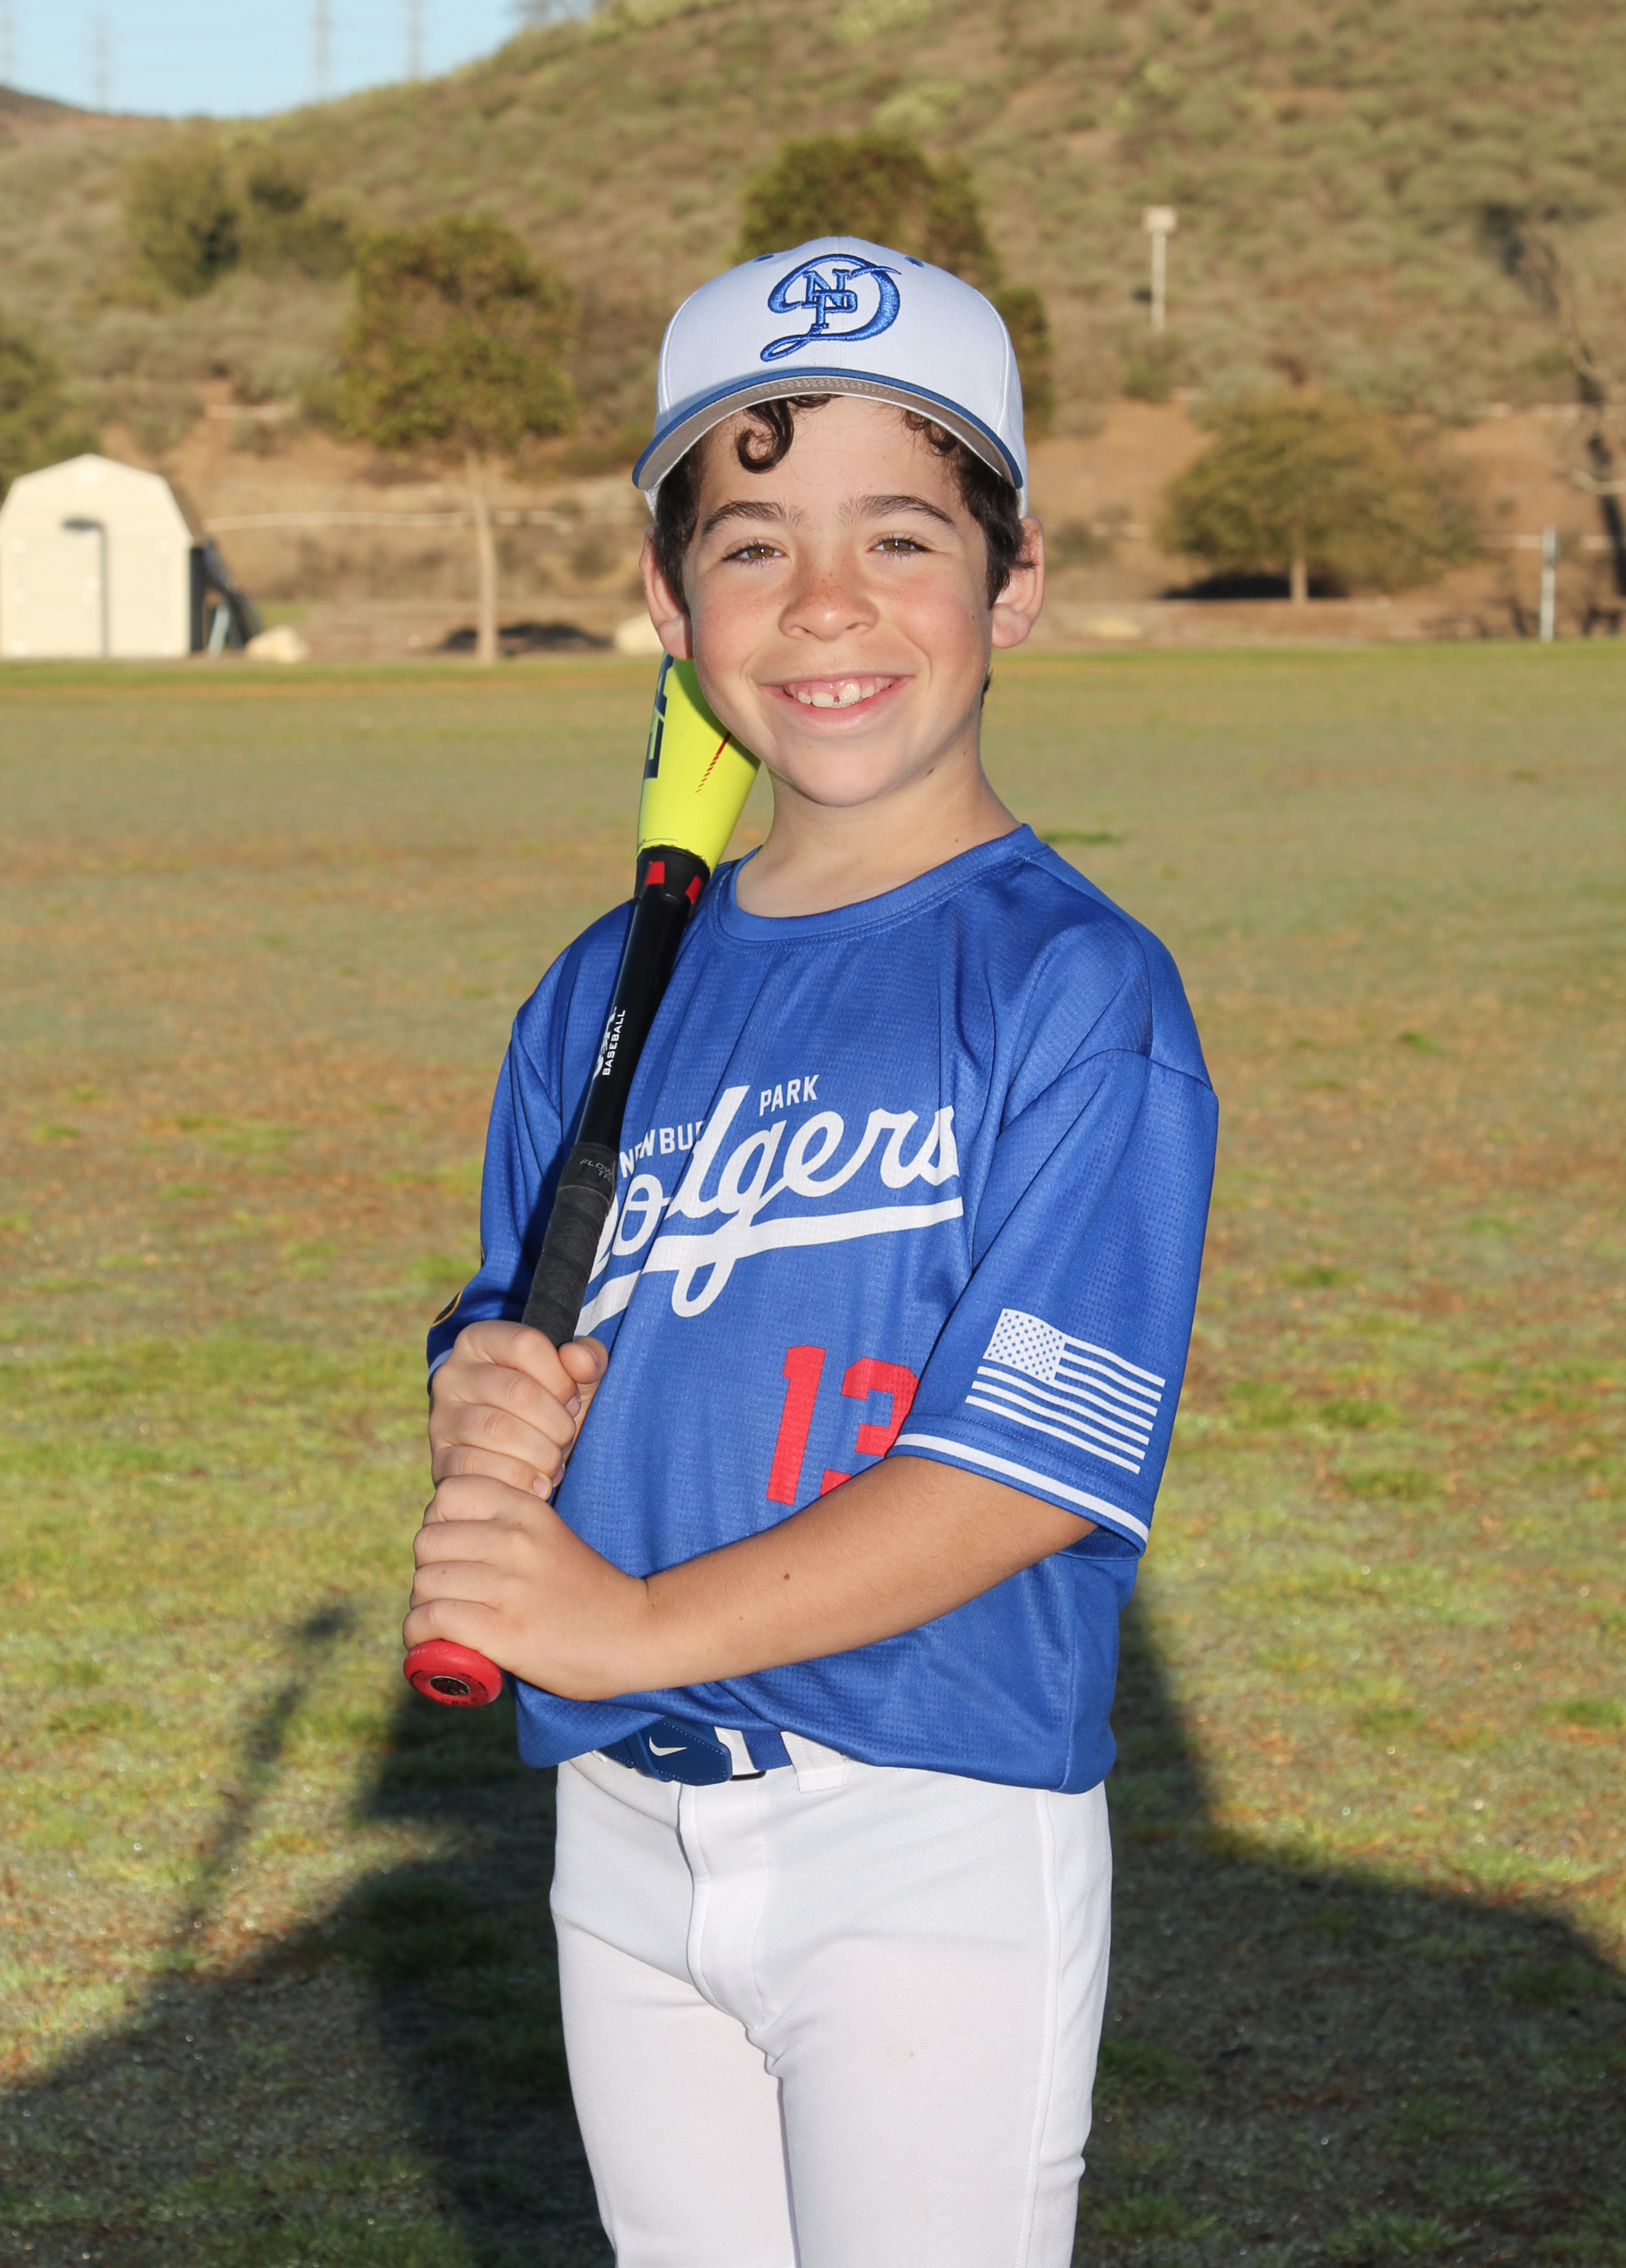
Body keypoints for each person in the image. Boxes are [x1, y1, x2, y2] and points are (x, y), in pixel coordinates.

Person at [405, 237, 1218, 2268]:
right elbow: (532, 1304)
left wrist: (620, 1623)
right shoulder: (599, 991)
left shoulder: (1074, 989)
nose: (826, 603)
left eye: (901, 537)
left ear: (1013, 584)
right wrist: (477, 1378)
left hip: (926, 1823)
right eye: (753, 546)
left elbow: (1025, 1475)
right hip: (624, 1832)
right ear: (671, 603)